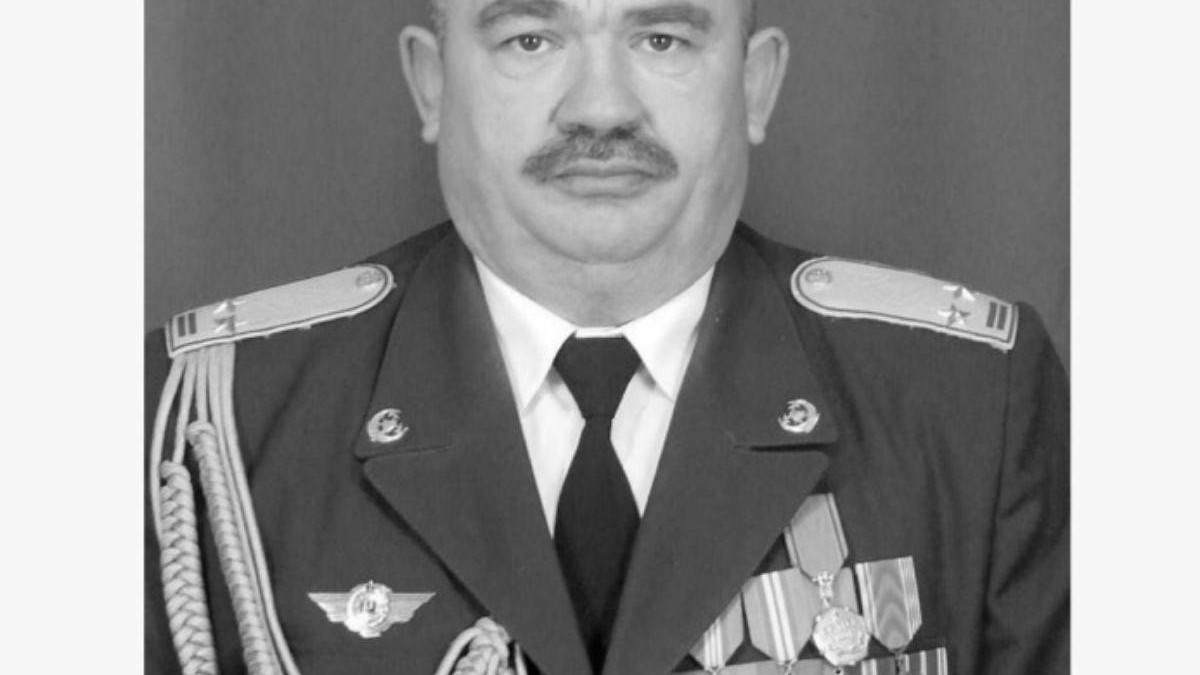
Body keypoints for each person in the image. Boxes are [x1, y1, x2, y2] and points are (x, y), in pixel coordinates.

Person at [145, 1, 1068, 674]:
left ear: (756, 84)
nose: (599, 108)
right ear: (431, 83)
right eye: (530, 38)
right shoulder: (218, 428)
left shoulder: (968, 408)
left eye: (662, 38)